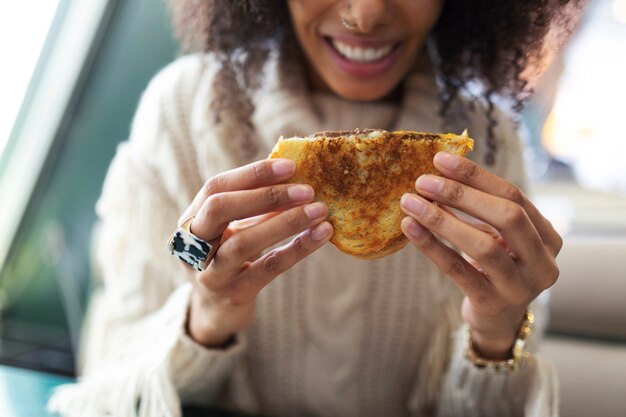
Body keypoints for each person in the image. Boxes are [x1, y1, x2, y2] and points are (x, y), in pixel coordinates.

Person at [49, 1, 584, 416]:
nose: (366, 14)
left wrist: (496, 333)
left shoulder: (492, 143)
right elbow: (110, 387)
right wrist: (207, 316)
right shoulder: (182, 114)